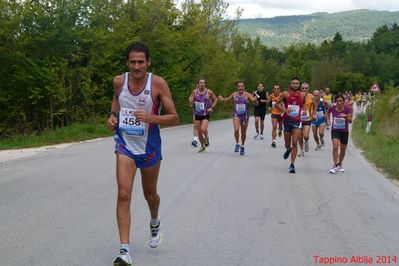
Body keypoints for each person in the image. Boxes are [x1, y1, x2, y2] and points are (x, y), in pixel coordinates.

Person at [107, 41, 179, 265]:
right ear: (127, 62)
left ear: (148, 62)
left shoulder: (158, 84)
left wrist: (151, 119)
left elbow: (175, 117)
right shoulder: (119, 82)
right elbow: (116, 102)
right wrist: (112, 116)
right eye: (132, 62)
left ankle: (154, 222)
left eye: (141, 62)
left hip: (149, 148)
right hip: (125, 145)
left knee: (150, 194)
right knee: (123, 194)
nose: (136, 66)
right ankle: (124, 251)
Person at [275, 77, 306, 173]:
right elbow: (275, 104)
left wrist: (304, 111)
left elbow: (303, 104)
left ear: (299, 85)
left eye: (297, 83)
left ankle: (292, 165)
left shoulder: (303, 94)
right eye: (294, 83)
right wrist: (285, 110)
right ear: (291, 84)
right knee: (287, 144)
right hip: (287, 121)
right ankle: (288, 149)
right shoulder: (285, 94)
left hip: (297, 121)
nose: (295, 85)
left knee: (295, 142)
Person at [218, 80, 257, 155]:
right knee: (236, 130)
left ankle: (242, 146)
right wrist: (222, 99)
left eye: (242, 86)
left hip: (245, 116)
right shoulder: (234, 94)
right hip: (236, 115)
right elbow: (227, 100)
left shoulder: (247, 95)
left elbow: (253, 100)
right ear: (237, 87)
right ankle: (237, 143)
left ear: (244, 87)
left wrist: (255, 100)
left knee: (243, 133)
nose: (240, 88)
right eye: (239, 86)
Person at [188, 78, 218, 152]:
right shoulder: (194, 92)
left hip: (205, 114)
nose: (202, 84)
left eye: (203, 83)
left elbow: (215, 99)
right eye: (200, 83)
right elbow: (191, 97)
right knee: (199, 132)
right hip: (197, 114)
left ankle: (207, 137)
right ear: (198, 84)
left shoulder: (209, 92)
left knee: (203, 129)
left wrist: (211, 107)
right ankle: (202, 146)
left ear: (205, 84)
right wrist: (191, 101)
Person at [327, 93, 353, 174]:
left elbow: (350, 121)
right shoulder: (332, 108)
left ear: (343, 101)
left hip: (344, 131)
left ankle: (340, 163)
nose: (339, 102)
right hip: (335, 130)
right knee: (335, 146)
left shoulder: (347, 109)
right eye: (337, 101)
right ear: (335, 101)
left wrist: (345, 116)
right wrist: (328, 120)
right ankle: (335, 165)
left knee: (343, 149)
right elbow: (327, 112)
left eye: (340, 101)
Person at [298, 82, 317, 157]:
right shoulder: (298, 95)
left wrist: (314, 113)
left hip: (308, 119)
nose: (304, 89)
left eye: (306, 88)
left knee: (306, 135)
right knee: (299, 136)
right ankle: (301, 150)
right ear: (301, 88)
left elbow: (315, 105)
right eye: (303, 88)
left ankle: (306, 141)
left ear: (308, 89)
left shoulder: (311, 96)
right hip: (299, 119)